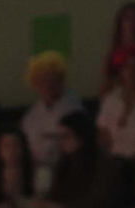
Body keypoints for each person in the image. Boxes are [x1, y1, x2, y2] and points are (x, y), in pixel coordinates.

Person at [20, 52, 86, 192]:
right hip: (35, 169)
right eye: (42, 80)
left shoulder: (74, 110)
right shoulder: (30, 117)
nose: (47, 85)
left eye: (52, 80)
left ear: (61, 81)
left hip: (66, 168)